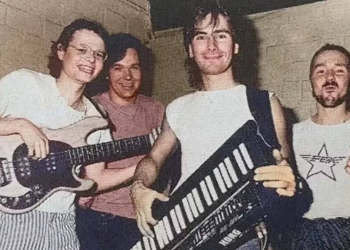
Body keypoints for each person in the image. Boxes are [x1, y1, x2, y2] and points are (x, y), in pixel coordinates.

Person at [130, 0, 297, 249]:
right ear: (190, 49)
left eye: (220, 35)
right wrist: (138, 188)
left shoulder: (264, 103)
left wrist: (288, 180)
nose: (211, 46)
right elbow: (153, 160)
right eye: (201, 37)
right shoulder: (177, 107)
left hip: (244, 236)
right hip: (185, 231)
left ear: (236, 45)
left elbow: (286, 166)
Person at [0, 18, 113, 250]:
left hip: (61, 221)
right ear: (61, 51)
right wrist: (20, 125)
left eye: (99, 54)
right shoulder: (25, 83)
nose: (91, 59)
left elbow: (97, 178)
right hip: (10, 214)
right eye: (82, 50)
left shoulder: (97, 118)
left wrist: (148, 161)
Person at [76, 33, 166, 250]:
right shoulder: (91, 109)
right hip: (101, 217)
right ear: (106, 72)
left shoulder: (157, 110)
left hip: (146, 216)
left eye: (134, 67)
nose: (127, 76)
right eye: (118, 68)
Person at [289, 44, 350, 249]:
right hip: (301, 238)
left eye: (339, 70)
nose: (330, 77)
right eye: (321, 70)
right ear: (311, 81)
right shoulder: (290, 134)